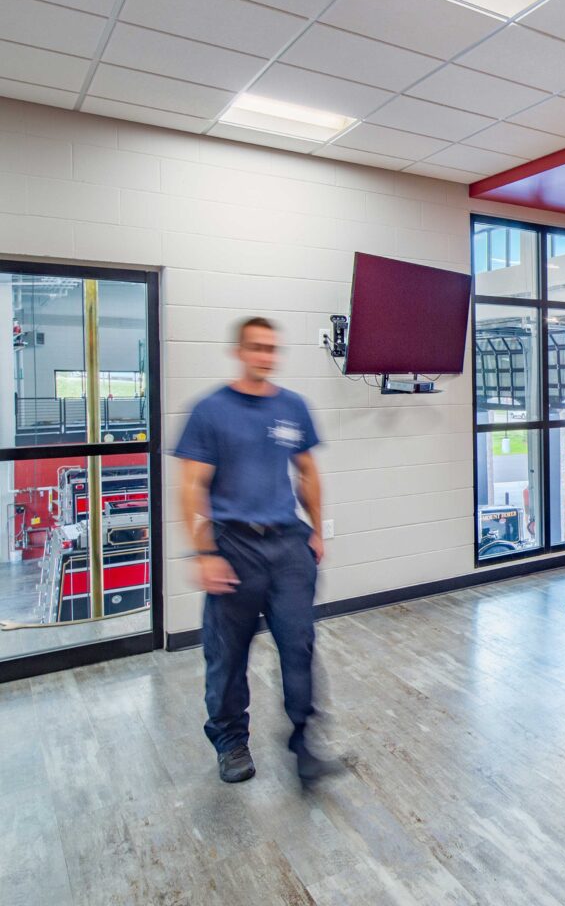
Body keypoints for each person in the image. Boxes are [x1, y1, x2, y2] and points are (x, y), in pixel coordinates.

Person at [175, 317, 342, 786]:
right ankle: (230, 742)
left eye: (272, 348)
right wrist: (204, 551)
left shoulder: (292, 406)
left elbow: (307, 470)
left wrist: (315, 532)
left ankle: (305, 740)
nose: (265, 356)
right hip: (234, 544)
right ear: (240, 352)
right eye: (256, 348)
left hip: (288, 543)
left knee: (298, 643)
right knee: (227, 654)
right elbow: (192, 485)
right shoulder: (210, 410)